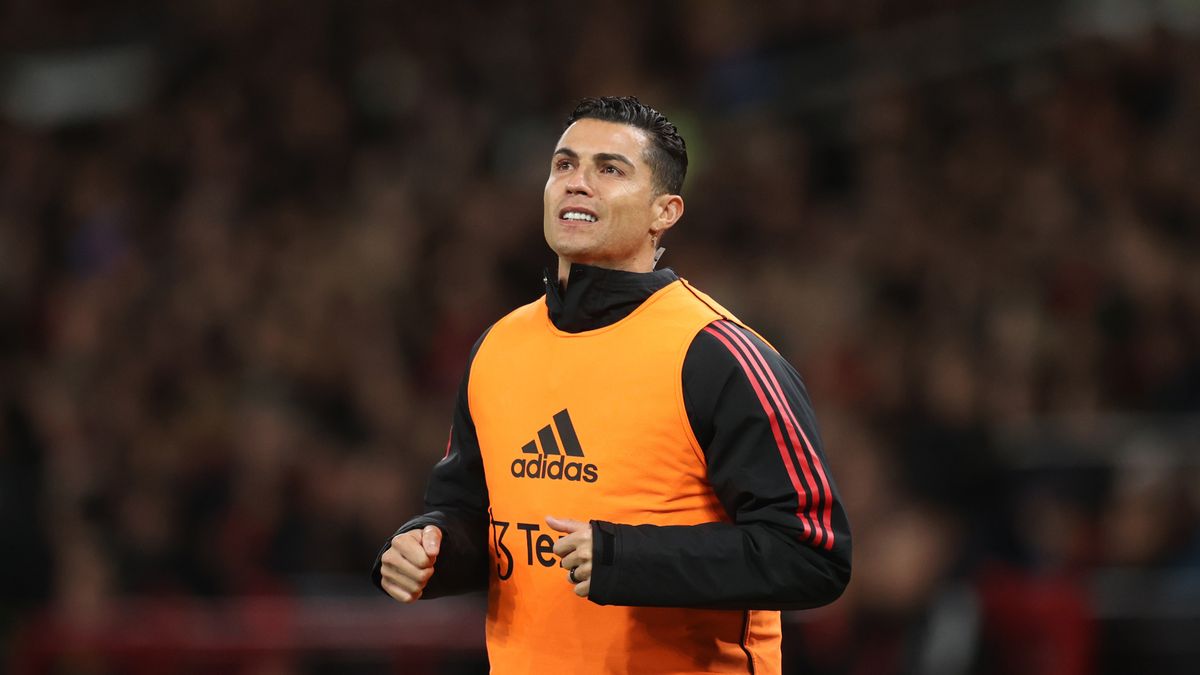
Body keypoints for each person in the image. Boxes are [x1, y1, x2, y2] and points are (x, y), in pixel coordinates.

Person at [372, 96, 851, 674]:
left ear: (665, 212)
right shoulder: (498, 345)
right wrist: (429, 550)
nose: (576, 183)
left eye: (610, 169)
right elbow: (470, 514)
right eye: (564, 165)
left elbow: (812, 553)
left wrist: (626, 558)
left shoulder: (717, 354)